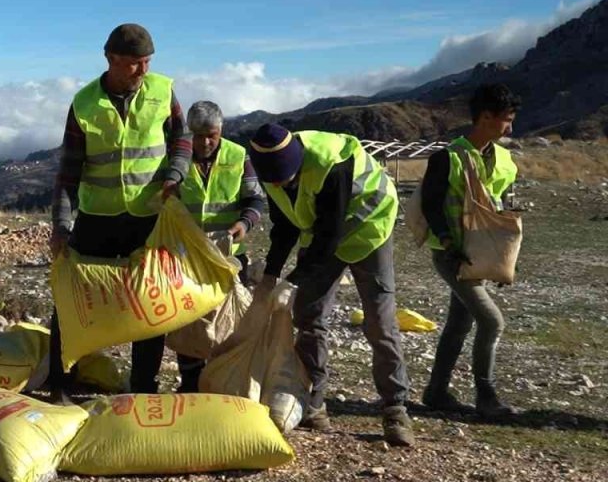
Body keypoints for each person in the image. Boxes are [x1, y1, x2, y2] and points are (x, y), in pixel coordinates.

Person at [47, 23, 192, 402]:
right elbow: (68, 172)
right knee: (74, 298)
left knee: (151, 301)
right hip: (98, 218)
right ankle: (61, 385)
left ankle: (143, 387)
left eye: (147, 62)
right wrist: (61, 226)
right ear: (110, 59)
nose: (143, 70)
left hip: (147, 218)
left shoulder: (163, 90)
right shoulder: (84, 103)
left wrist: (175, 174)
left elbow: (182, 138)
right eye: (133, 64)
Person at [247, 123, 414, 447]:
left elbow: (329, 235)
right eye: (274, 181)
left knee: (379, 321)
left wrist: (292, 281)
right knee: (308, 316)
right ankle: (313, 404)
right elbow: (284, 225)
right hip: (323, 233)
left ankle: (395, 409)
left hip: (369, 229)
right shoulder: (271, 171)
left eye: (285, 178)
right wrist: (271, 274)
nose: (280, 184)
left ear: (296, 161)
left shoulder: (330, 163)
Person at [420, 83, 521, 418]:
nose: (510, 127)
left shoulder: (504, 160)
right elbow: (431, 206)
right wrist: (449, 245)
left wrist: (501, 260)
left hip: (481, 254)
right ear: (486, 117)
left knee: (459, 325)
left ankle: (436, 392)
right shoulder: (447, 158)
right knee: (492, 322)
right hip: (453, 256)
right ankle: (486, 396)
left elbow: (499, 209)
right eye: (506, 120)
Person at [173, 100, 265, 392]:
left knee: (228, 324)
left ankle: (222, 382)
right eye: (198, 135)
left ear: (221, 130)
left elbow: (255, 199)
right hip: (187, 257)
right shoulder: (177, 158)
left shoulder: (239, 156)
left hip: (229, 258)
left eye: (211, 134)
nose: (205, 141)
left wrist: (244, 224)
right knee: (189, 324)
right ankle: (190, 384)